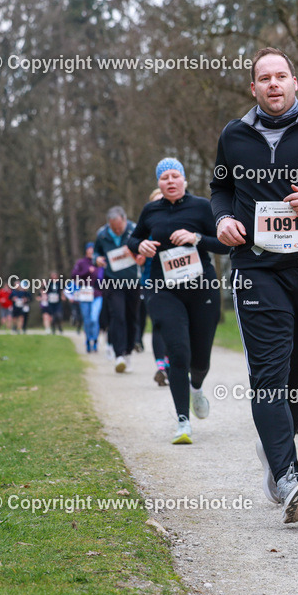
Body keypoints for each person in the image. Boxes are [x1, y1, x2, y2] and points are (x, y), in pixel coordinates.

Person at [211, 47, 298, 523]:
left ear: (295, 83)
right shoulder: (234, 135)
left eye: (281, 76)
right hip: (256, 268)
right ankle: (289, 477)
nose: (273, 84)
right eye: (263, 78)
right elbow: (220, 188)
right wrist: (224, 218)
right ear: (253, 88)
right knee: (269, 373)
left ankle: (274, 449)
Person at [129, 158, 230, 444]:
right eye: (164, 178)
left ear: (184, 180)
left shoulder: (201, 207)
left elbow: (224, 243)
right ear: (158, 184)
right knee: (178, 351)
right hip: (164, 289)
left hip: (202, 288)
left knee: (200, 358)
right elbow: (133, 240)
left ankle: (196, 387)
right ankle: (183, 421)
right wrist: (141, 245)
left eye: (175, 176)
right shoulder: (150, 210)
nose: (170, 181)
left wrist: (196, 237)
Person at [94, 206, 141, 373]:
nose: (117, 230)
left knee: (131, 317)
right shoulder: (102, 234)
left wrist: (140, 254)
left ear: (125, 220)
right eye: (114, 228)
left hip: (133, 281)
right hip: (112, 282)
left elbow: (143, 247)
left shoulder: (135, 229)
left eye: (119, 227)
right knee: (117, 316)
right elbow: (96, 251)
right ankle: (118, 354)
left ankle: (128, 352)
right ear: (109, 224)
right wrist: (97, 259)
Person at [140, 188, 170, 386]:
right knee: (159, 323)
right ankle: (162, 366)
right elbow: (138, 256)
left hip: (179, 281)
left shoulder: (179, 223)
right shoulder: (147, 225)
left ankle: (172, 363)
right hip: (153, 281)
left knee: (176, 324)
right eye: (157, 201)